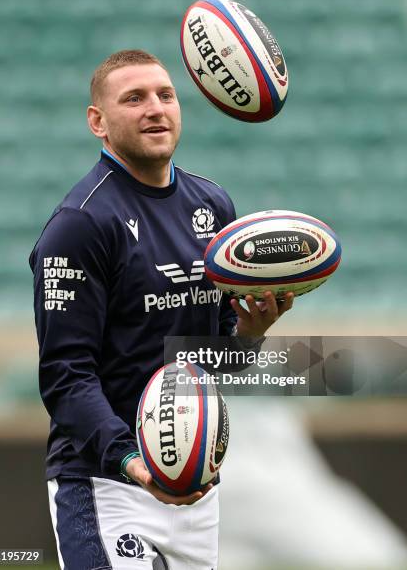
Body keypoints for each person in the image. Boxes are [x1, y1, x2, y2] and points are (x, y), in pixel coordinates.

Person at [29, 49, 294, 570]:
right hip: (110, 485)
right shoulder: (80, 224)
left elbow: (215, 359)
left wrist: (250, 332)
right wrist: (133, 463)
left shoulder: (213, 206)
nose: (155, 108)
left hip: (196, 486)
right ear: (98, 122)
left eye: (165, 95)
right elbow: (65, 377)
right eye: (134, 98)